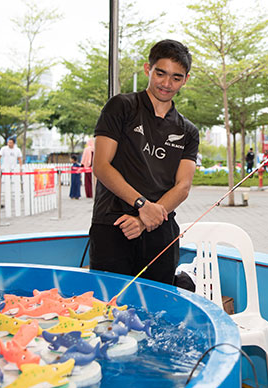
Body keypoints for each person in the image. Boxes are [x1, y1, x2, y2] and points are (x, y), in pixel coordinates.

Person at [89, 39, 199, 286]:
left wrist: (145, 217)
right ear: (147, 69)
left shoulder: (188, 131)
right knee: (109, 308)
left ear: (186, 79)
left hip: (160, 229)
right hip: (114, 224)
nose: (167, 84)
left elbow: (182, 187)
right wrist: (140, 204)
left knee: (158, 311)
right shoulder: (121, 107)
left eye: (176, 78)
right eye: (161, 74)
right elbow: (102, 166)